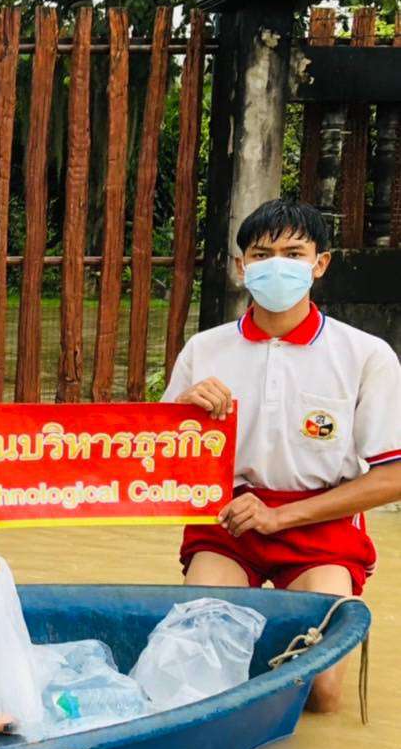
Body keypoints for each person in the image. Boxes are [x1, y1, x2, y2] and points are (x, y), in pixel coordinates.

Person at [164, 198, 401, 713]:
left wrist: (280, 517)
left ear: (320, 263)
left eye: (294, 254)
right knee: (193, 667)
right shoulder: (204, 350)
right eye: (262, 254)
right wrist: (182, 414)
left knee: (321, 694)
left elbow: (392, 477)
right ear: (241, 266)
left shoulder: (366, 355)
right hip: (228, 521)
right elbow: (161, 461)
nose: (278, 265)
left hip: (322, 525)